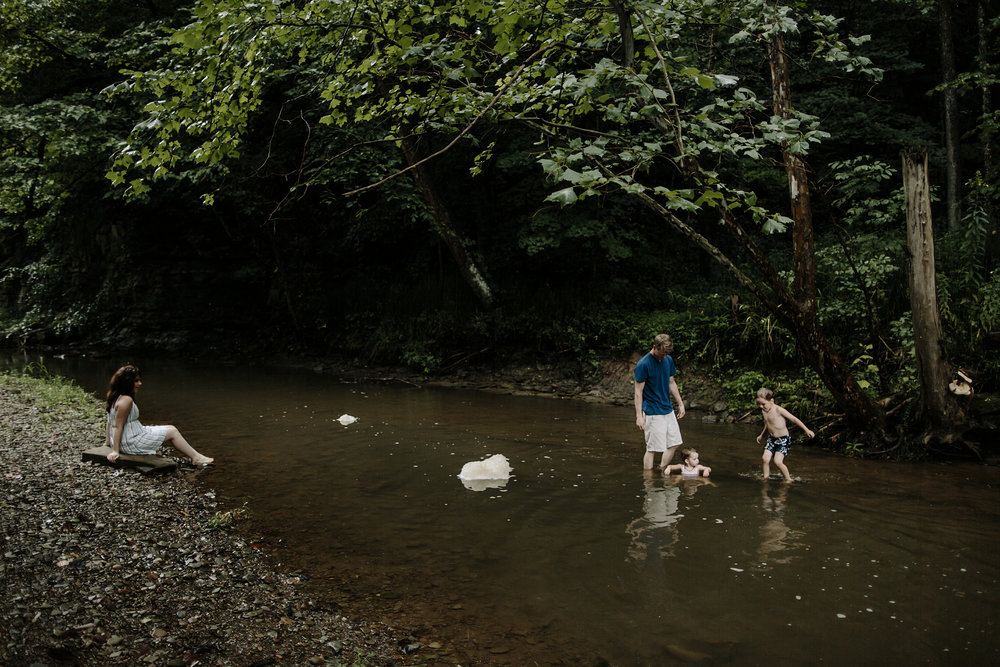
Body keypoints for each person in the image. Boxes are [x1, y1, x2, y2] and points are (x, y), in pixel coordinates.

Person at [104, 365, 213, 465]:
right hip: (131, 442)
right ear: (127, 382)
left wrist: (108, 442)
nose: (140, 384)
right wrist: (115, 451)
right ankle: (196, 458)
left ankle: (196, 456)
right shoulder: (126, 400)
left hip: (130, 437)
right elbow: (118, 426)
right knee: (173, 431)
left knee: (170, 428)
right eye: (136, 381)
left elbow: (110, 421)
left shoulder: (114, 396)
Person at [634, 333, 686, 470]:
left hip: (667, 409)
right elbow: (638, 392)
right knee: (652, 448)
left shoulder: (667, 360)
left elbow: (671, 382)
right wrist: (639, 416)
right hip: (652, 411)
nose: (663, 357)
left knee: (675, 443)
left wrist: (680, 404)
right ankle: (648, 479)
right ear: (654, 347)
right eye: (661, 354)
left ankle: (661, 469)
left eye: (666, 354)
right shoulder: (643, 364)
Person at [755, 387, 813, 482]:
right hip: (772, 439)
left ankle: (788, 479)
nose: (761, 406)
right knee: (765, 459)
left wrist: (807, 430)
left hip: (783, 440)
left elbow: (794, 419)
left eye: (763, 404)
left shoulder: (778, 410)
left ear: (772, 401)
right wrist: (761, 435)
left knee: (777, 461)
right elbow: (768, 423)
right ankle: (765, 478)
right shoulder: (764, 411)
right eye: (759, 404)